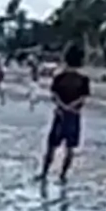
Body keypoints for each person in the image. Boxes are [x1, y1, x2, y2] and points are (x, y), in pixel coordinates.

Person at [36, 43, 91, 184]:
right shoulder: (83, 79)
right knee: (70, 148)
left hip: (59, 115)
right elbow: (83, 98)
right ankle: (63, 176)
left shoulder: (59, 77)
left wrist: (63, 106)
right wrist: (71, 107)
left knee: (51, 146)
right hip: (74, 116)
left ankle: (44, 173)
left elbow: (54, 95)